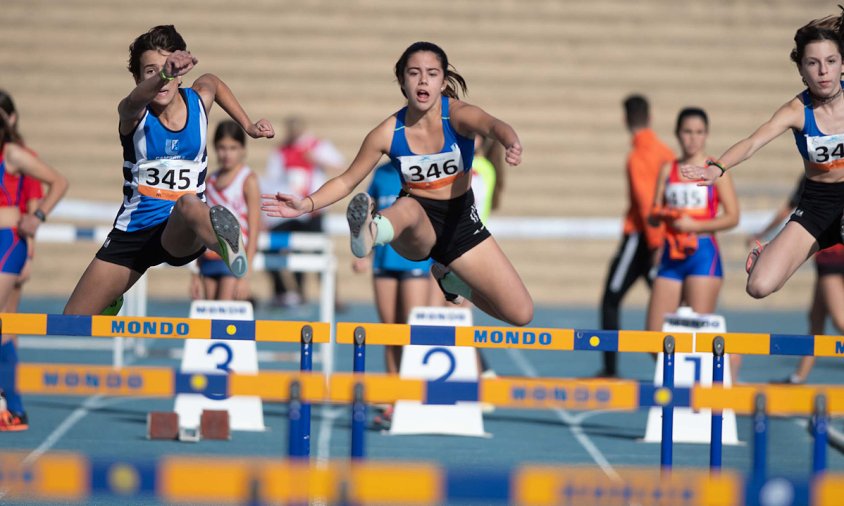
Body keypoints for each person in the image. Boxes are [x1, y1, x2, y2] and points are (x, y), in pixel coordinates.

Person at [263, 41, 533, 326]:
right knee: (408, 206)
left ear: (442, 81)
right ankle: (370, 231)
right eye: (414, 73)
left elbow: (493, 125)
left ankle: (453, 283)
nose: (423, 80)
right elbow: (345, 181)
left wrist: (510, 141)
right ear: (403, 81)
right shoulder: (387, 132)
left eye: (432, 73)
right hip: (416, 225)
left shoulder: (456, 114)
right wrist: (306, 203)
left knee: (520, 314)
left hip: (461, 223)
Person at [63, 25, 274, 315]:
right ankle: (113, 296)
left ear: (181, 72)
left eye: (169, 69)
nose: (162, 78)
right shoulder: (132, 113)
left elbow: (212, 81)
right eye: (151, 71)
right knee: (71, 321)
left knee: (188, 203)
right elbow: (133, 100)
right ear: (137, 78)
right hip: (133, 234)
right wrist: (164, 74)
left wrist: (248, 126)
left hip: (180, 231)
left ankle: (225, 245)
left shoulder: (198, 103)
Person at [681, 9, 844, 301]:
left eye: (830, 62)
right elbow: (752, 142)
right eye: (813, 63)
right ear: (801, 70)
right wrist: (718, 167)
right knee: (759, 286)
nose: (823, 72)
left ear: (842, 65)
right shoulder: (796, 111)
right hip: (818, 204)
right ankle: (767, 253)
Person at [647, 107, 740, 373]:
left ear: (706, 135)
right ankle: (681, 382)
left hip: (703, 256)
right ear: (678, 134)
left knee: (700, 333)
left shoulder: (714, 170)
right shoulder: (668, 169)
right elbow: (653, 213)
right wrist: (661, 215)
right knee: (653, 336)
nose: (693, 138)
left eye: (699, 132)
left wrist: (695, 225)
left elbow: (733, 217)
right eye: (687, 131)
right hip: (671, 255)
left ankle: (730, 363)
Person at [0, 91, 69, 431]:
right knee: (6, 330)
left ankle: (12, 405)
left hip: (10, 246)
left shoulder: (17, 155)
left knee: (6, 327)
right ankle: (12, 407)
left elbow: (43, 193)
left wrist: (33, 232)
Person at [597, 95, 674, 378]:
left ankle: (610, 369)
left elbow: (645, 205)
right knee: (668, 302)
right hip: (663, 236)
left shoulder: (637, 157)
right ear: (650, 117)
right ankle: (674, 368)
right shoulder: (665, 152)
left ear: (625, 120)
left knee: (610, 299)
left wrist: (655, 244)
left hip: (642, 238)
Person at [352, 162, 434, 428]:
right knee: (389, 332)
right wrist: (366, 255)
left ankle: (414, 396)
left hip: (414, 263)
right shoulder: (381, 174)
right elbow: (368, 217)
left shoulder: (419, 171)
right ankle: (393, 399)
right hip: (384, 263)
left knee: (412, 333)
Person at [752, 178, 844, 384]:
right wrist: (764, 234)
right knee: (816, 319)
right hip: (827, 256)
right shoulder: (814, 173)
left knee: (840, 320)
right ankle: (798, 377)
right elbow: (789, 209)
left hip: (835, 258)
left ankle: (798, 378)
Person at [263, 116, 344, 307]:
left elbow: (340, 165)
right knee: (290, 249)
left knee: (318, 251)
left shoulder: (316, 146)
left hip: (314, 210)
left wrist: (316, 159)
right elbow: (272, 179)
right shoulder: (281, 152)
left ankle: (332, 296)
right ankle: (295, 292)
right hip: (293, 212)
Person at [191, 120, 260, 300]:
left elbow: (254, 229)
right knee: (208, 315)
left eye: (233, 148)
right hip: (208, 256)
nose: (227, 153)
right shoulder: (210, 181)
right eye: (222, 147)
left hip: (234, 257)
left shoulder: (247, 179)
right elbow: (201, 227)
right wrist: (195, 272)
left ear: (243, 149)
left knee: (225, 312)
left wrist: (246, 273)